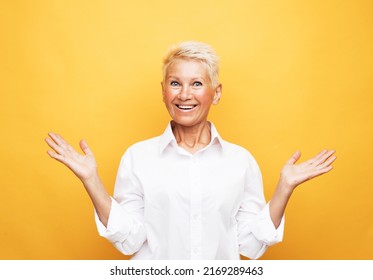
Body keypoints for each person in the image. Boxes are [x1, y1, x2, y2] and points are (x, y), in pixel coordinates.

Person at [45, 41, 336, 260]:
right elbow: (130, 241)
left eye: (197, 83)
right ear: (163, 91)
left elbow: (249, 245)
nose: (184, 94)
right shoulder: (138, 157)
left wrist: (284, 188)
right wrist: (91, 181)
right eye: (175, 83)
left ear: (216, 92)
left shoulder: (241, 161)